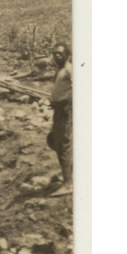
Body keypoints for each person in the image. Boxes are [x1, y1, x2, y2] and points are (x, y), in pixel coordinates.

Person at [48, 43, 73, 196]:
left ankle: (68, 184)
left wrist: (68, 106)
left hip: (66, 110)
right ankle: (68, 174)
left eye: (60, 53)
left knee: (63, 144)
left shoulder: (70, 69)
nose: (57, 56)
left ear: (67, 55)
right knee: (56, 141)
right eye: (55, 53)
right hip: (58, 109)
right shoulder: (59, 70)